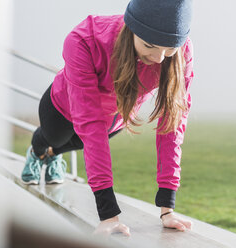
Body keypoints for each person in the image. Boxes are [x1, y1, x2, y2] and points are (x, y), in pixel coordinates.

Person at [21, 0, 194, 236]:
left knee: (74, 145)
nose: (160, 59)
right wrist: (108, 214)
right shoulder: (84, 39)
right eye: (149, 45)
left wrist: (168, 208)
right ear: (130, 29)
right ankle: (37, 151)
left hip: (114, 118)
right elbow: (88, 121)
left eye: (170, 49)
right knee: (54, 138)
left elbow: (173, 122)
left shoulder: (181, 51)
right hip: (64, 108)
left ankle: (51, 157)